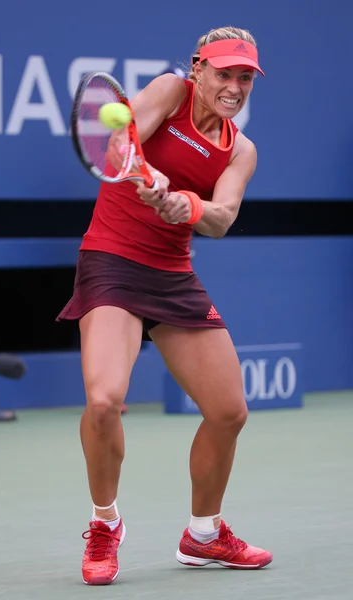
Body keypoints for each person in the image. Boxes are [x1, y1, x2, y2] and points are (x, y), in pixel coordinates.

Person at [57, 26, 273, 585]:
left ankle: (204, 537)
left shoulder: (241, 149)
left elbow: (222, 219)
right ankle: (105, 525)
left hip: (173, 275)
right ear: (198, 69)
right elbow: (120, 141)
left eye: (244, 77)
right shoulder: (169, 90)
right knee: (104, 400)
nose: (234, 86)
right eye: (224, 73)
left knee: (229, 411)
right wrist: (145, 173)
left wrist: (186, 206)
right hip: (112, 259)